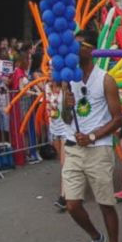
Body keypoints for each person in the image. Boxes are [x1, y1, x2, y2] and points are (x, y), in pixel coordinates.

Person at [61, 29, 122, 242]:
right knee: (72, 205)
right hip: (73, 148)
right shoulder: (68, 79)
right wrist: (67, 106)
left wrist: (93, 136)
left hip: (99, 149)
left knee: (105, 204)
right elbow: (66, 118)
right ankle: (96, 238)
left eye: (78, 45)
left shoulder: (106, 79)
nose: (73, 49)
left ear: (90, 49)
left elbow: (118, 119)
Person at [47, 82, 71, 211]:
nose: (50, 71)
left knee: (65, 164)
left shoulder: (66, 87)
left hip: (66, 130)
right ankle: (75, 188)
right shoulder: (47, 87)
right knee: (64, 164)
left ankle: (64, 197)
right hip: (54, 129)